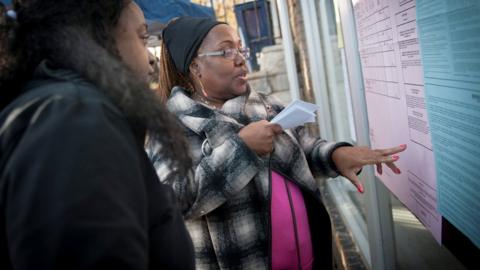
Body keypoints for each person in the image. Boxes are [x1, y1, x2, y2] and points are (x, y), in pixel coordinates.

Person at [147, 16, 406, 269]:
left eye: (240, 48)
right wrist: (241, 149)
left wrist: (336, 156)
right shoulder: (169, 128)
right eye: (226, 52)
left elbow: (303, 146)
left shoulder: (267, 105)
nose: (240, 58)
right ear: (195, 66)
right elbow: (172, 201)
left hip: (310, 257)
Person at [0, 1, 194, 269]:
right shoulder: (74, 120)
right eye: (141, 37)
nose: (151, 57)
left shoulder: (64, 109)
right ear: (98, 37)